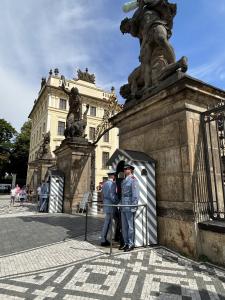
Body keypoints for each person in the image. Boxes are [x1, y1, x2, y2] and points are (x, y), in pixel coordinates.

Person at [120, 164, 140, 252]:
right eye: (124, 169)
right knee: (124, 226)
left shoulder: (133, 180)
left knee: (130, 226)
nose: (124, 170)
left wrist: (134, 206)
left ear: (130, 170)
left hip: (129, 205)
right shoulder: (124, 180)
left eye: (126, 168)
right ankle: (126, 243)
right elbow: (122, 194)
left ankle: (131, 244)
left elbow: (135, 195)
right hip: (123, 205)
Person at [101, 169, 117, 247]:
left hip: (106, 204)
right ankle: (103, 240)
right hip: (110, 204)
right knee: (107, 223)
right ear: (113, 176)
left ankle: (104, 239)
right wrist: (117, 202)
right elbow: (112, 196)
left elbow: (102, 195)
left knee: (107, 222)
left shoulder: (105, 183)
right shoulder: (112, 184)